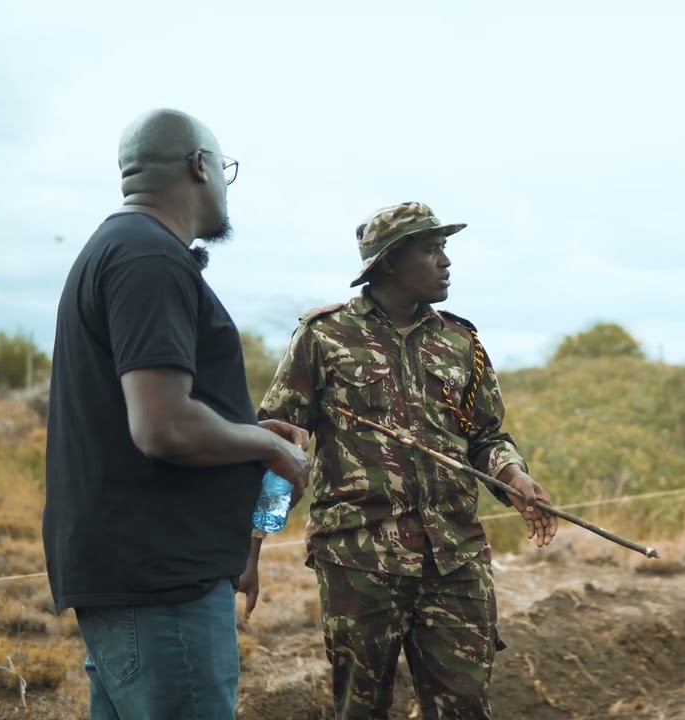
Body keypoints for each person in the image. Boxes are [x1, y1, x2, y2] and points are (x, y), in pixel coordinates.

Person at [42, 108, 311, 720]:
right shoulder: (149, 258)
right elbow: (161, 425)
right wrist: (272, 449)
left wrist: (245, 435)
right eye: (225, 170)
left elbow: (147, 413)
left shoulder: (119, 250)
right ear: (199, 165)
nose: (223, 185)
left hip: (138, 581)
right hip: (163, 589)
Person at [254, 200, 557, 719]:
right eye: (431, 249)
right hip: (359, 561)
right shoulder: (323, 338)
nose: (446, 262)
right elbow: (279, 448)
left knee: (464, 708)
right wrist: (254, 540)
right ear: (390, 262)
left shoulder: (461, 342)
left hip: (455, 560)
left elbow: (485, 436)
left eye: (445, 249)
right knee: (360, 709)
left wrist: (514, 476)